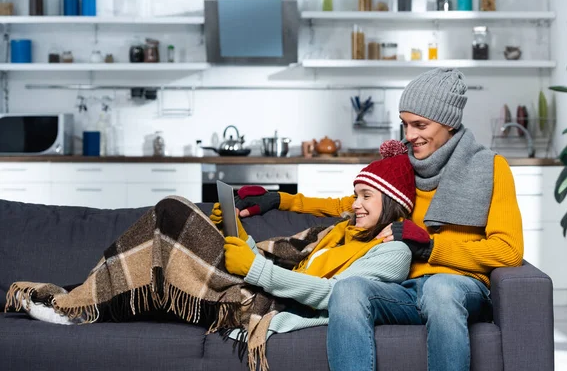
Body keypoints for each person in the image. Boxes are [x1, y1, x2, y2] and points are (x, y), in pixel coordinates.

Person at [6, 140, 416, 370]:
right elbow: (286, 259)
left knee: (171, 216)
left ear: (393, 203)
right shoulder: (341, 231)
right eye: (356, 195)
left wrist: (255, 269)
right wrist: (237, 239)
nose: (355, 204)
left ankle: (74, 306)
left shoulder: (392, 251)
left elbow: (335, 296)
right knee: (173, 214)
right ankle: (79, 302)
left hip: (271, 303)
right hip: (260, 285)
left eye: (366, 197)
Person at [234, 68, 524, 371]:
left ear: (448, 122)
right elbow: (352, 205)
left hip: (460, 287)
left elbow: (509, 251)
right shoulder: (404, 168)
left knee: (441, 289)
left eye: (419, 124)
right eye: (405, 125)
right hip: (403, 289)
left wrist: (431, 248)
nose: (410, 136)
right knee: (348, 290)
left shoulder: (491, 168)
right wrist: (280, 199)